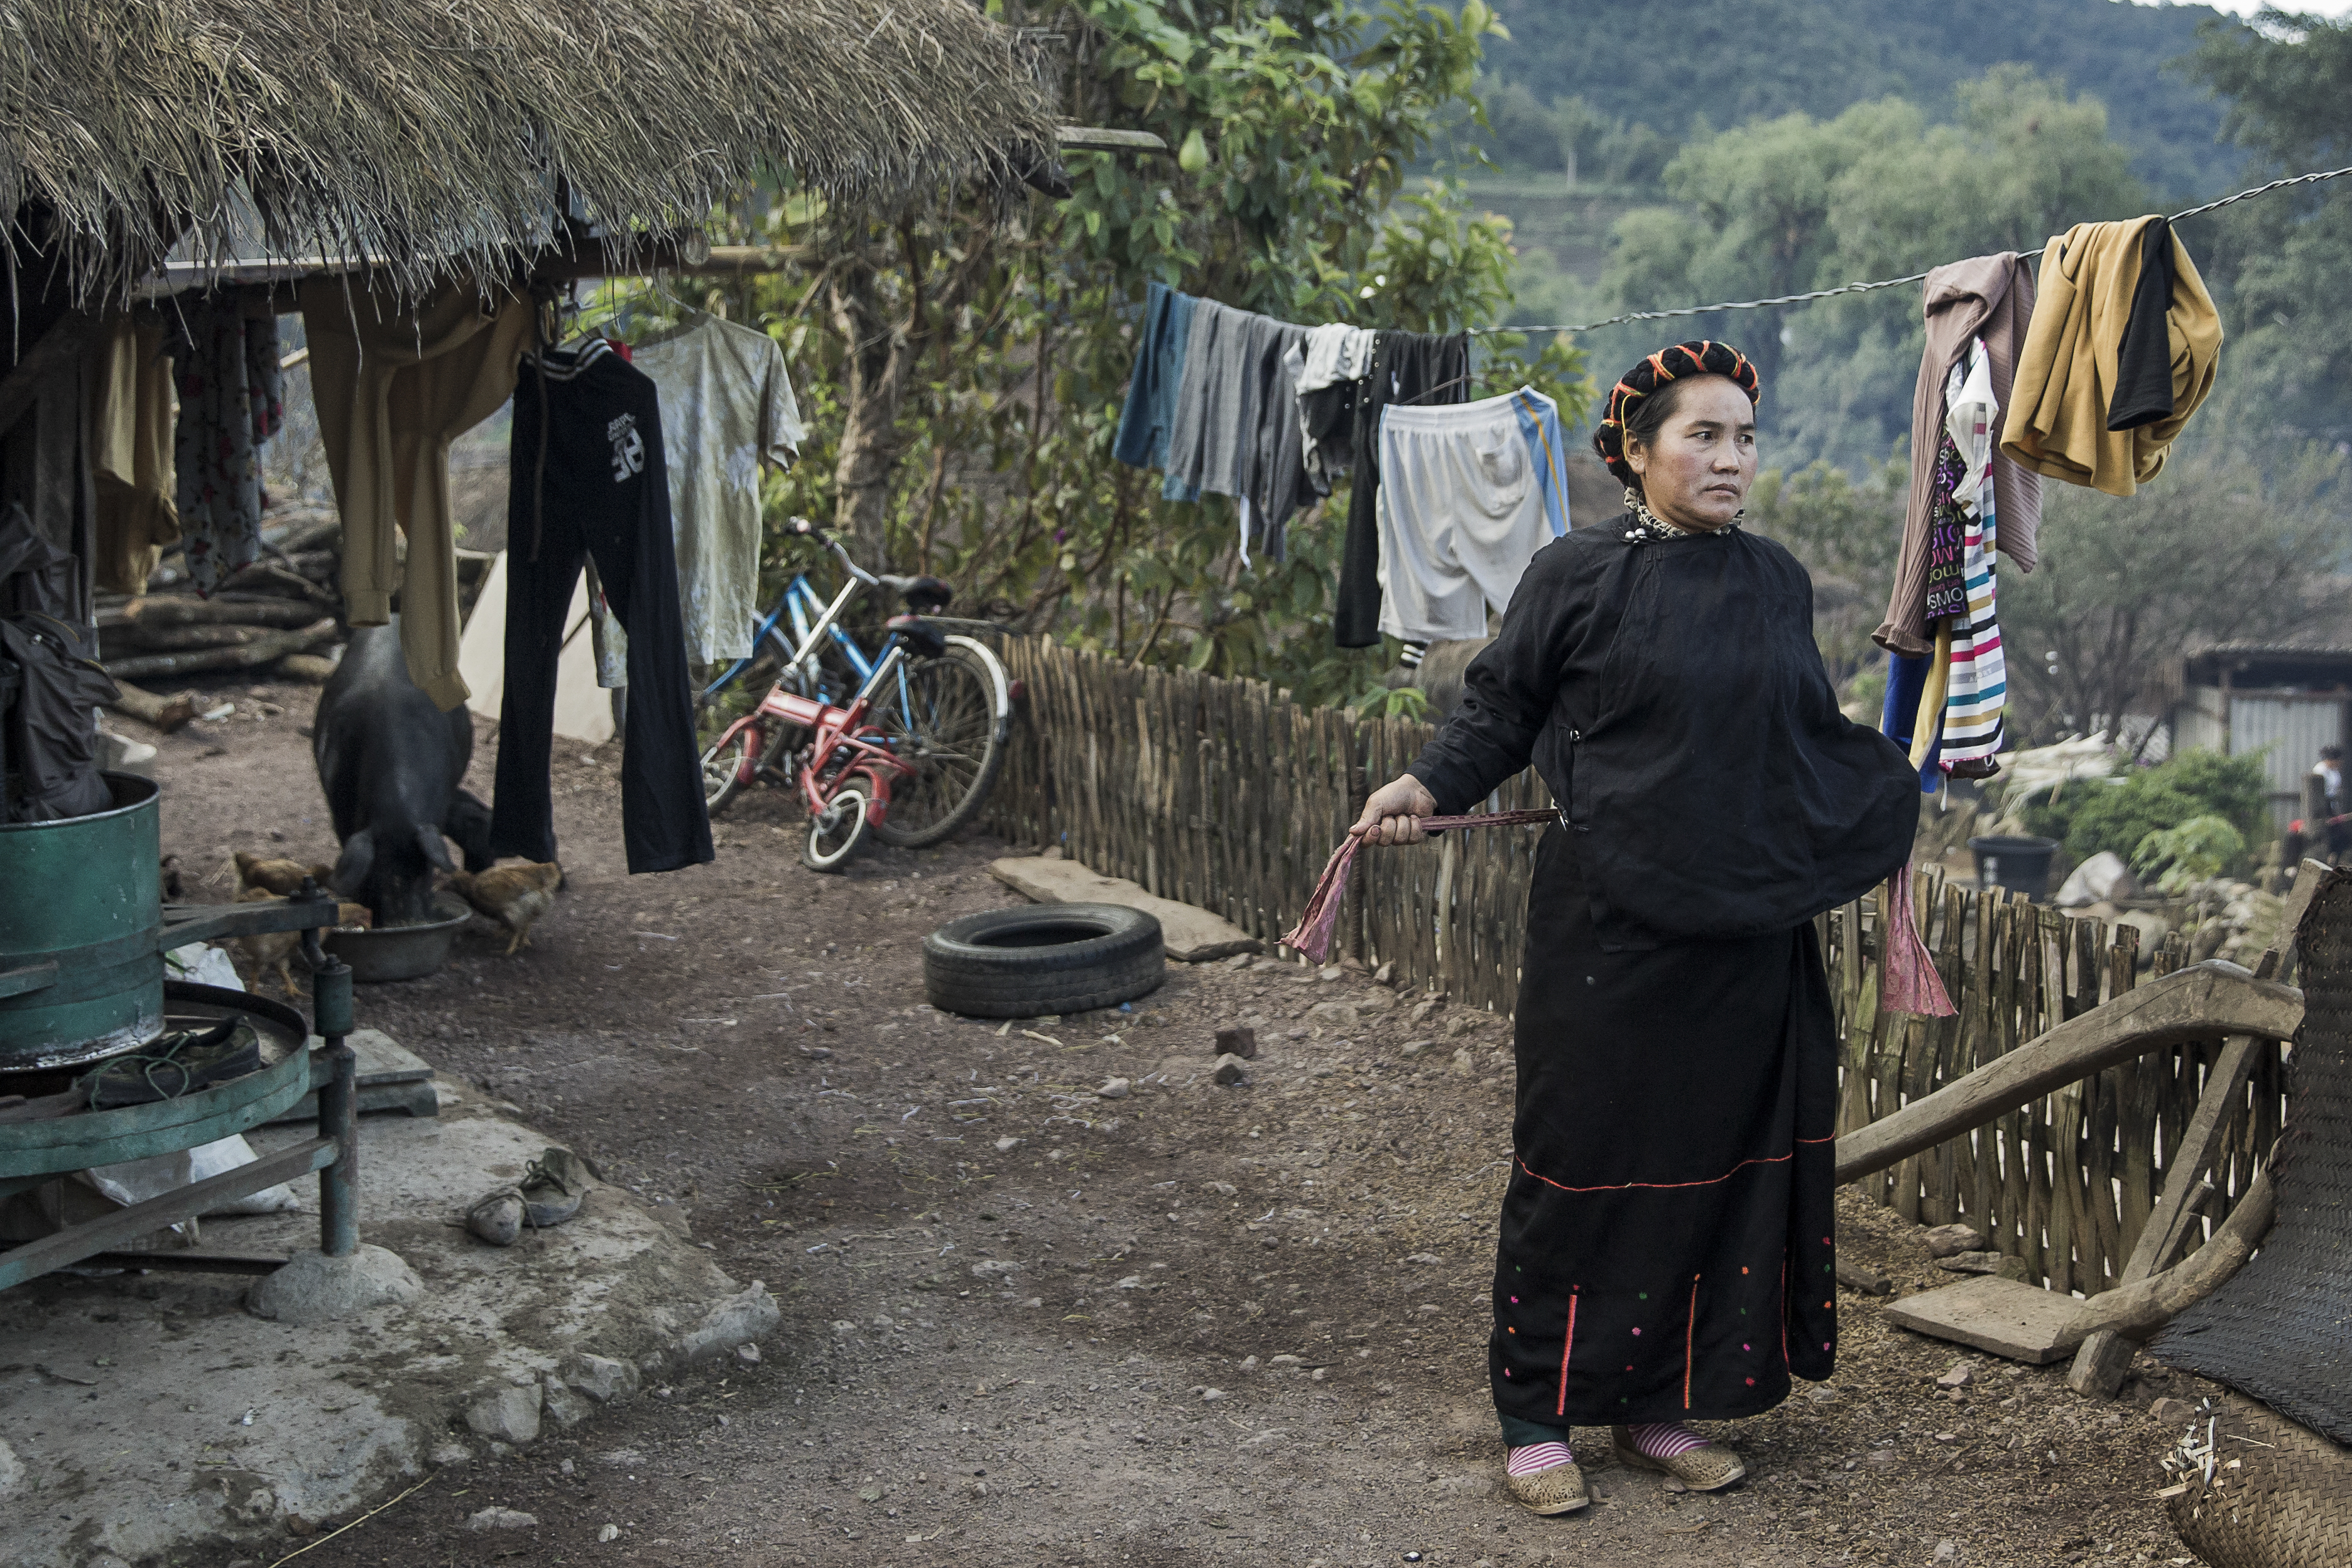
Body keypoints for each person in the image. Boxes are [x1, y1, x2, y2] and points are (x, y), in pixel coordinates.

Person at [1353, 342, 1920, 1515]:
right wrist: (1428, 783)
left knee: (1709, 1173)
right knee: (1582, 1164)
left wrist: (1884, 795)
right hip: (1606, 927)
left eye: (1744, 437)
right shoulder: (1574, 575)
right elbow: (1500, 709)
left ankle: (1656, 1407)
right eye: (1701, 435)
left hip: (1744, 931)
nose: (1730, 459)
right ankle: (1535, 1416)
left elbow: (1797, 739)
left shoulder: (1774, 581)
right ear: (1634, 450)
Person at [2314, 744, 2348, 862]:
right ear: (2333, 760)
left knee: (2341, 835)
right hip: (2322, 806)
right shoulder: (2320, 770)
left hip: (2332, 806)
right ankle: (2328, 858)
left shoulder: (2335, 772)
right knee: (2331, 833)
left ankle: (2334, 859)